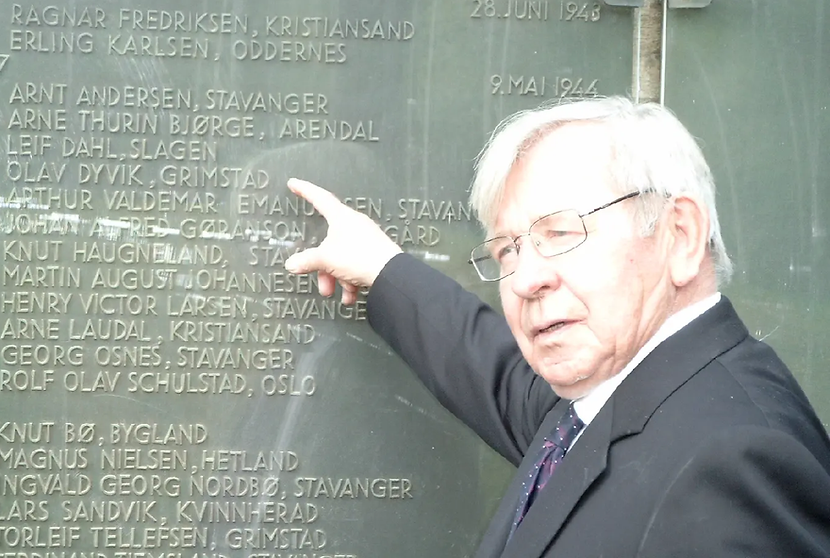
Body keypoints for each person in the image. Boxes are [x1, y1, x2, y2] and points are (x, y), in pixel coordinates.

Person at [284, 96, 830, 557]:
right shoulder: (612, 400)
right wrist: (381, 268)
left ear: (679, 235)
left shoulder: (733, 465)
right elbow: (495, 373)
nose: (524, 279)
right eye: (508, 250)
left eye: (561, 233)